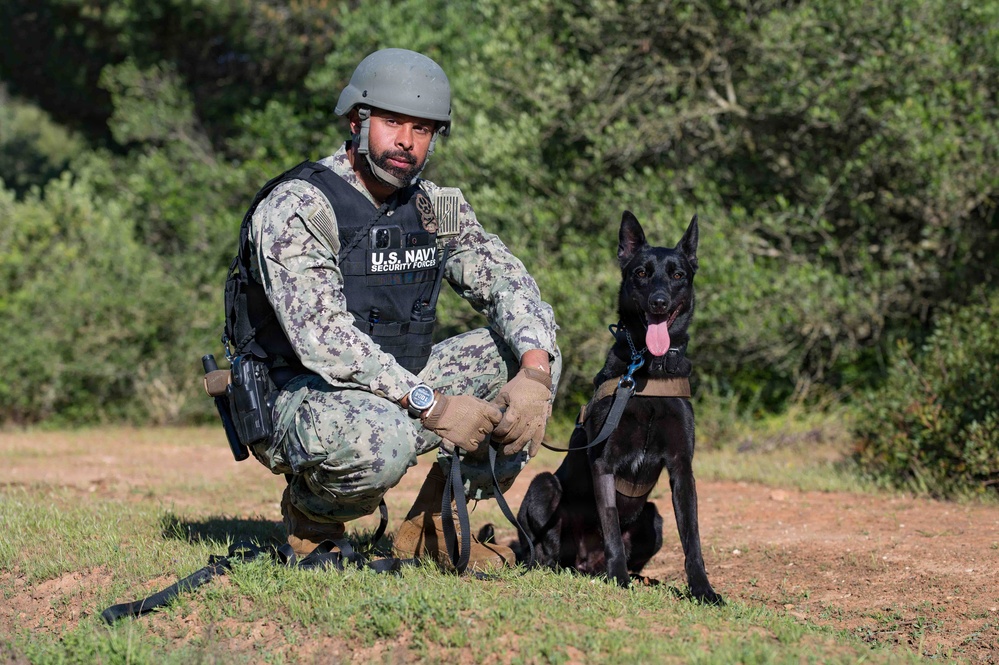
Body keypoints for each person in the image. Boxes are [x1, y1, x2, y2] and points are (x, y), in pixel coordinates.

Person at [224, 48, 561, 570]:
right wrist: (434, 405)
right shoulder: (299, 205)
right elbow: (326, 341)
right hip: (300, 395)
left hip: (397, 382)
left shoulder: (436, 206)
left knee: (530, 356)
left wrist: (535, 374)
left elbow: (507, 281)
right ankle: (312, 521)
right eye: (393, 122)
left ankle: (435, 526)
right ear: (358, 121)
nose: (407, 141)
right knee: (384, 437)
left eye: (423, 128)